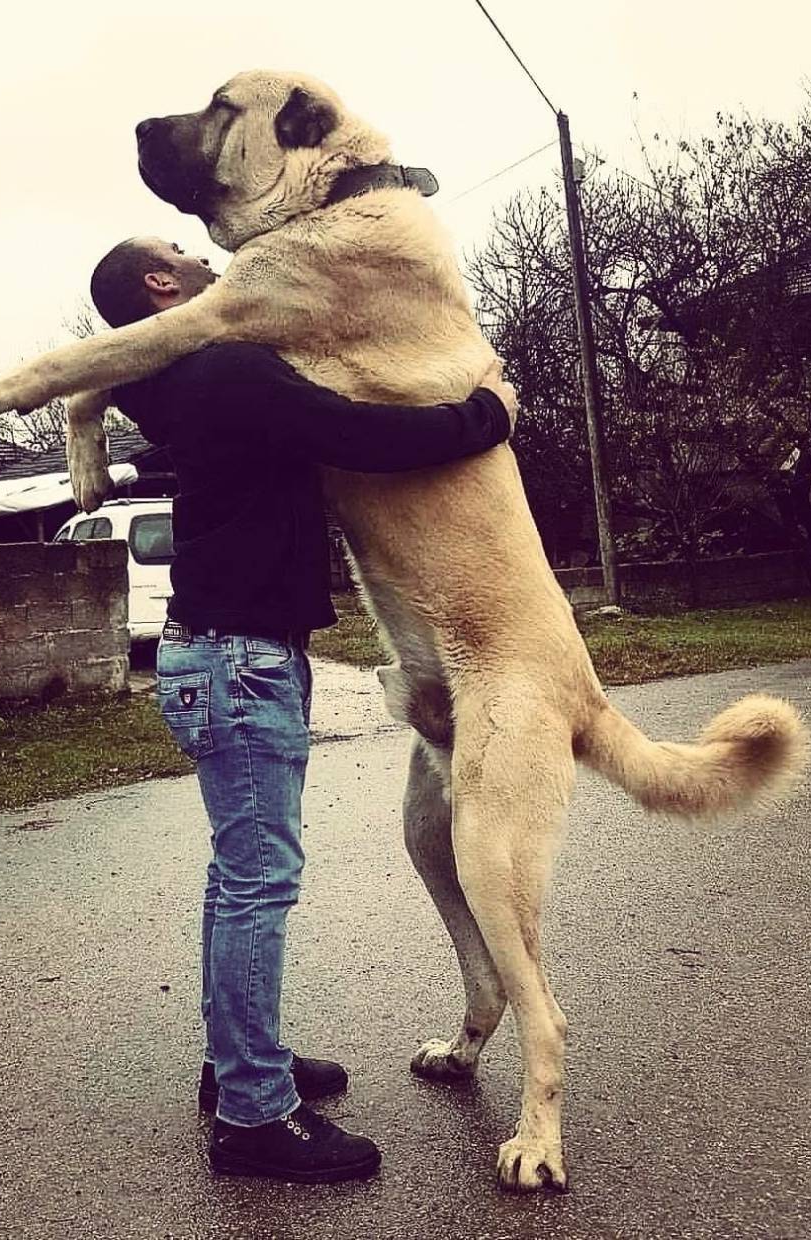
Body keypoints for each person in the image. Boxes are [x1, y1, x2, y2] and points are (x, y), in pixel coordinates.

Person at [89, 237, 518, 1184]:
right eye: (180, 255)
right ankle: (252, 1119)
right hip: (239, 662)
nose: (207, 256)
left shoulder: (176, 381)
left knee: (235, 878)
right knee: (256, 884)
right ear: (162, 286)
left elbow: (108, 379)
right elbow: (363, 436)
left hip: (221, 657)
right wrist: (485, 415)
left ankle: (238, 1065)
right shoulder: (228, 368)